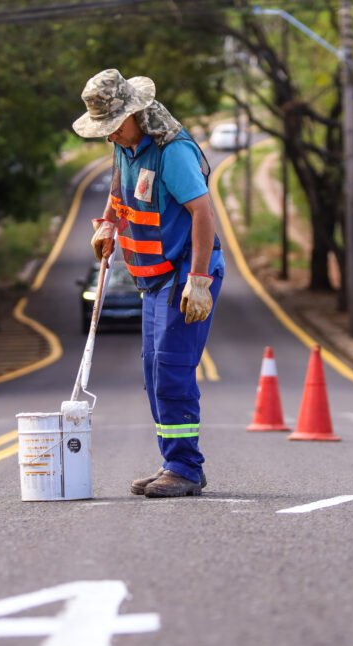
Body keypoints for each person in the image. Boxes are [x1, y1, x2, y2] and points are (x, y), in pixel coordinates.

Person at [72, 69, 225, 499]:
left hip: (182, 275)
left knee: (172, 372)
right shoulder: (126, 146)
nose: (109, 136)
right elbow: (120, 191)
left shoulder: (171, 153)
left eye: (113, 126)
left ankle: (185, 468)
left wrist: (197, 281)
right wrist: (108, 224)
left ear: (134, 115)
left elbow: (203, 213)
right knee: (153, 371)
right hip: (152, 281)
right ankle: (173, 461)